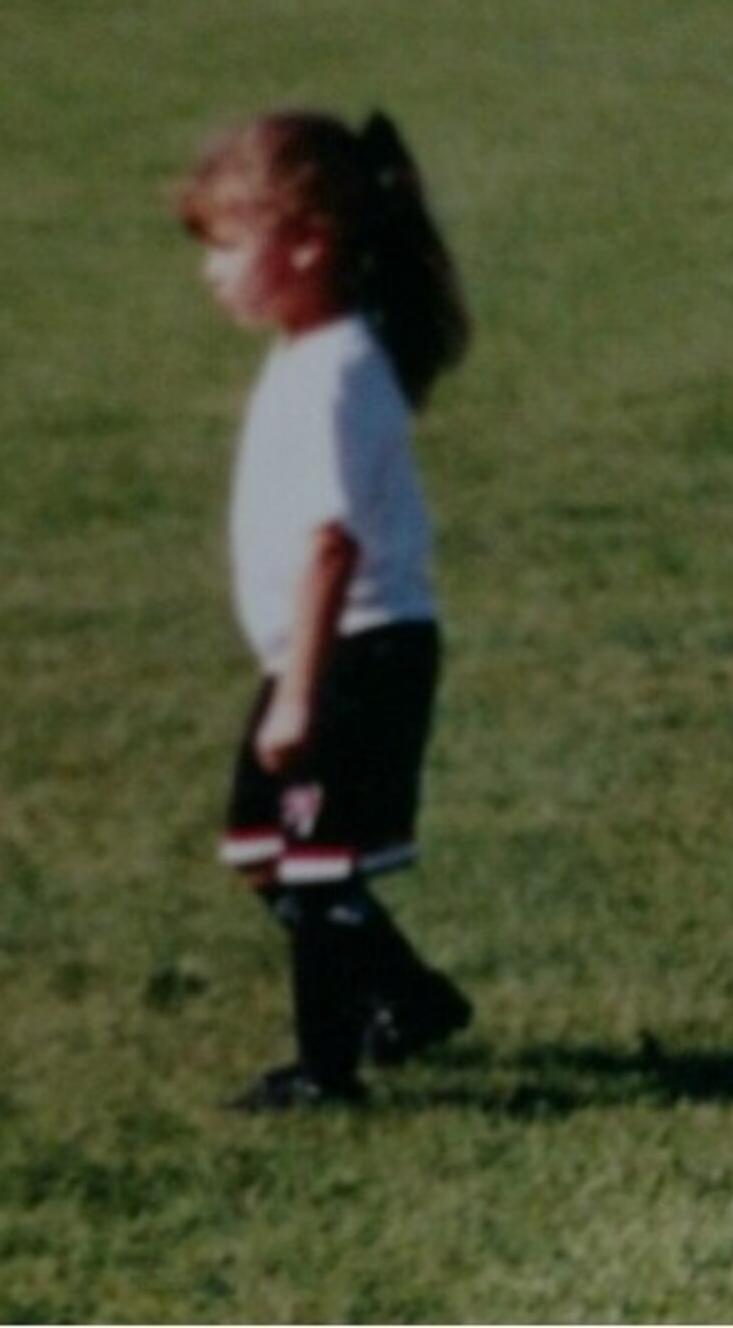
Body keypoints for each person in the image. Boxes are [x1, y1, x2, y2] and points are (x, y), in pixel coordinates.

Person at [177, 109, 475, 1111]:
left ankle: (324, 1070)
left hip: (353, 649)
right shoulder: (308, 353)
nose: (210, 272)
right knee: (262, 853)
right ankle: (409, 996)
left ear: (305, 244)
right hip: (320, 650)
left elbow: (328, 541)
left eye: (225, 246)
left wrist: (296, 694)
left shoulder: (336, 371)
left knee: (311, 865)